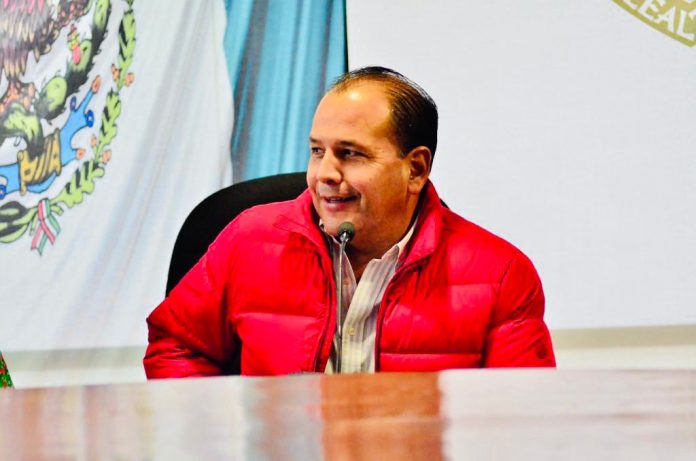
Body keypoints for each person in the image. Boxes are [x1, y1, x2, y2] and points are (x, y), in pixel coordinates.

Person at [144, 67, 555, 378]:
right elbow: (176, 346)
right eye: (317, 151)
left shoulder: (502, 276)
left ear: (415, 169)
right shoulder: (249, 240)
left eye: (350, 154)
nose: (324, 174)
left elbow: (519, 417)